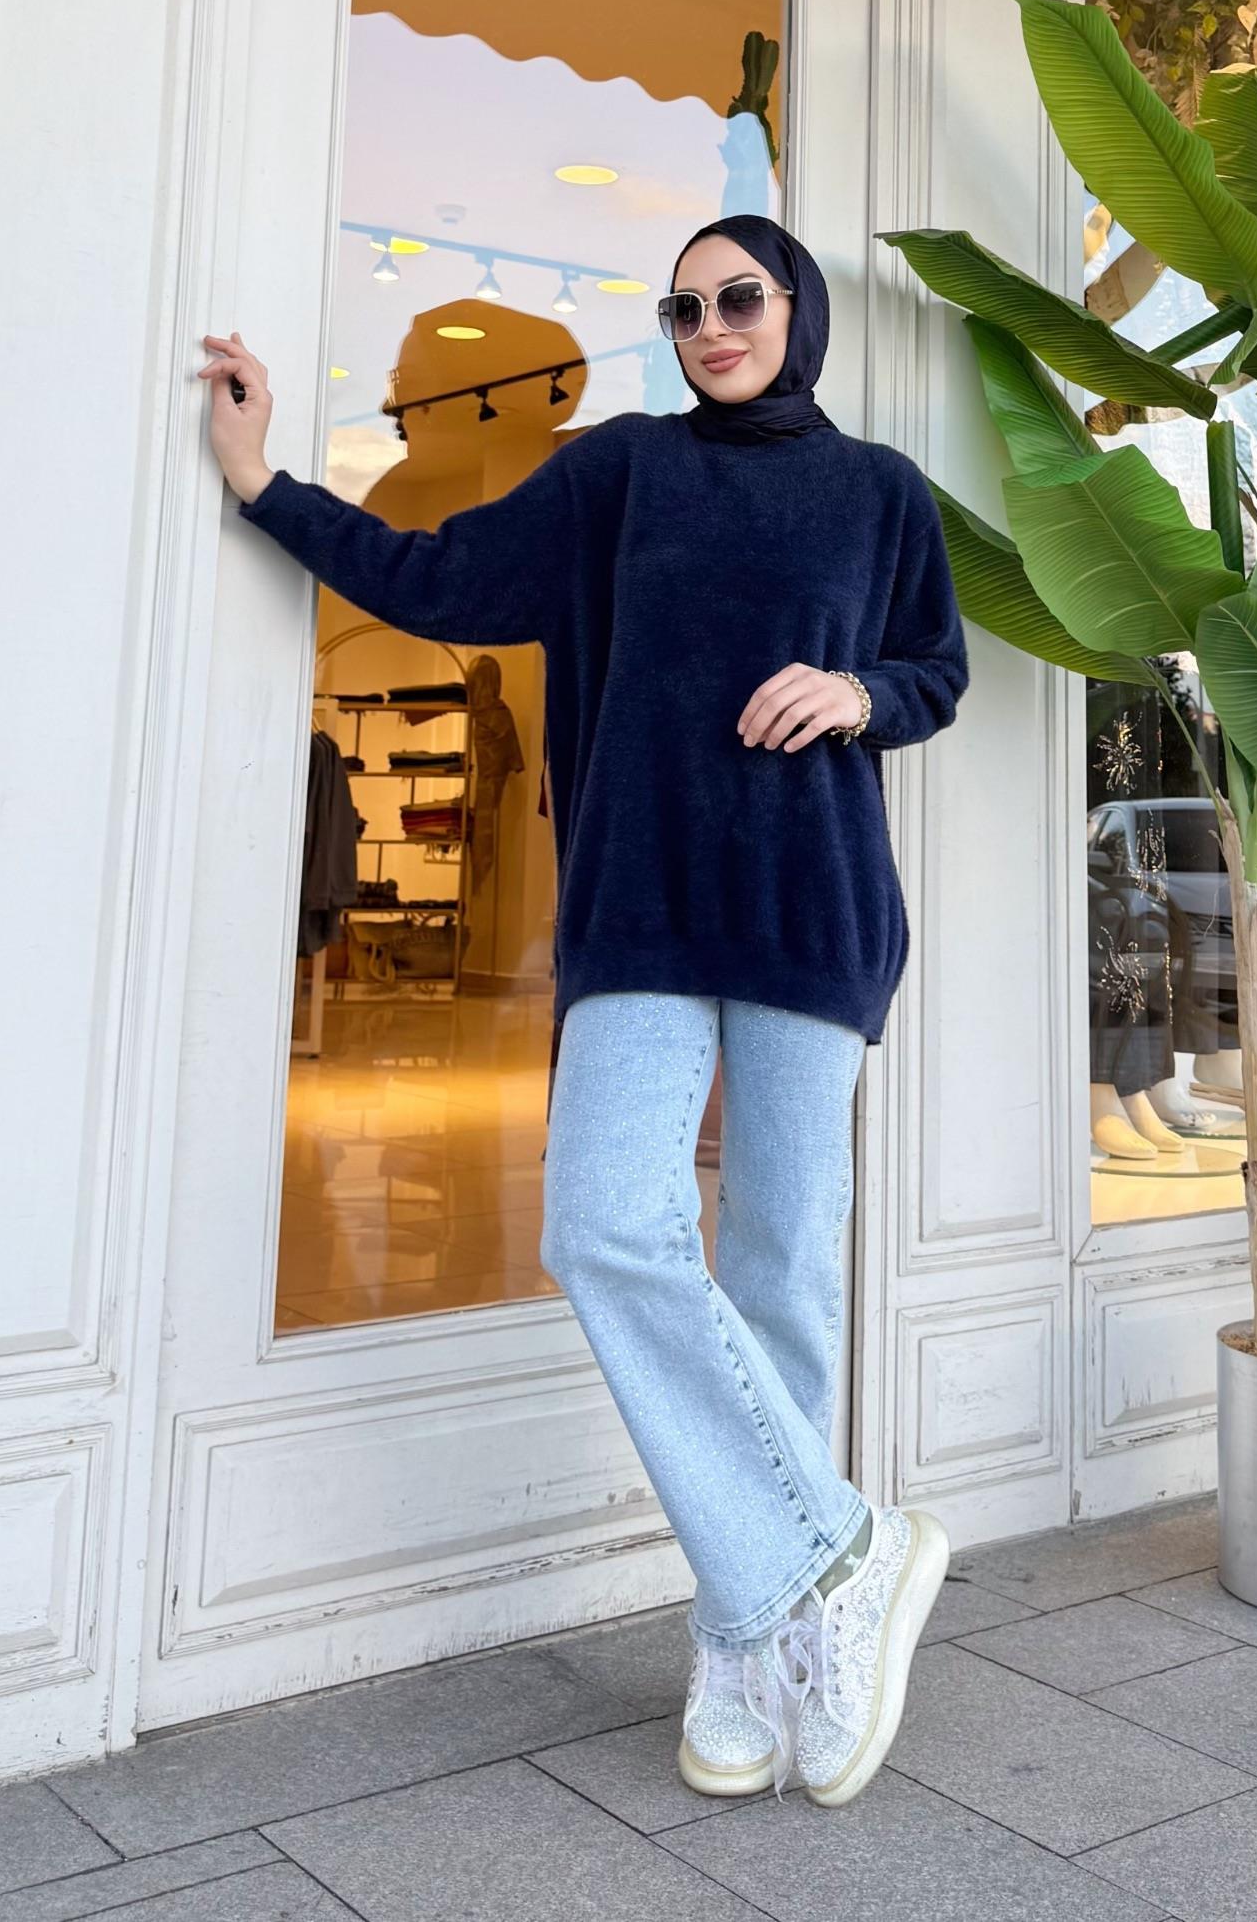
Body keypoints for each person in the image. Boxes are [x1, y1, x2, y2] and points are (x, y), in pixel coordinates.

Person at [197, 213, 969, 1806]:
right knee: (604, 1224)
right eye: (683, 309)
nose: (712, 326)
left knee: (781, 1271)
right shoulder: (622, 472)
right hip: (639, 906)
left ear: (797, 310)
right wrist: (264, 480)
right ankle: (843, 1552)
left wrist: (859, 692)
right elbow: (435, 576)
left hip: (813, 913)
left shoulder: (881, 491)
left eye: (739, 297)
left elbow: (934, 672)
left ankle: (752, 1643)